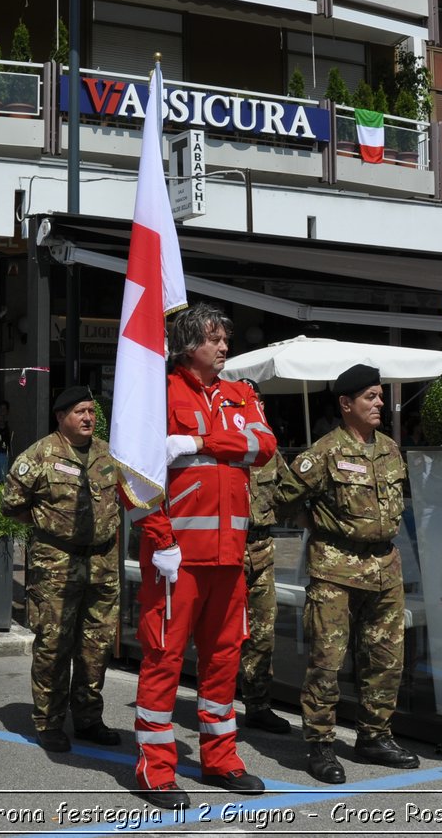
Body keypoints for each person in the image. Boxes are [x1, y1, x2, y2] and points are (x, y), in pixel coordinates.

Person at [127, 303, 277, 809]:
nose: (224, 347)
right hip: (176, 560)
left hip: (230, 559)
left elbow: (265, 446)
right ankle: (156, 767)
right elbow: (133, 474)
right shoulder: (158, 393)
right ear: (189, 344)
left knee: (223, 661)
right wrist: (159, 539)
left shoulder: (241, 393)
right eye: (215, 339)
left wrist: (197, 441)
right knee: (164, 660)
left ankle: (221, 759)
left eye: (224, 339)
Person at [277, 364, 420, 784]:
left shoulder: (390, 449)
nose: (379, 404)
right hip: (336, 569)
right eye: (370, 397)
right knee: (327, 661)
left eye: (379, 396)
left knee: (386, 660)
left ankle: (375, 736)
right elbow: (283, 498)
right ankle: (320, 744)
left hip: (386, 569)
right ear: (346, 404)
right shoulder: (322, 453)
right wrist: (316, 520)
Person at [2, 386, 122, 753]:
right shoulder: (39, 455)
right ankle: (49, 721)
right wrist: (52, 527)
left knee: (95, 646)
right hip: (56, 564)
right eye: (79, 412)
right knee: (54, 646)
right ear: (60, 417)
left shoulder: (109, 452)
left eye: (91, 411)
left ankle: (88, 717)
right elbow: (12, 505)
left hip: (102, 564)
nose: (88, 418)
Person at [239, 422, 291, 735]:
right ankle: (212, 704)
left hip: (262, 549)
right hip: (228, 548)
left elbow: (290, 491)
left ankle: (258, 705)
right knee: (219, 633)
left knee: (262, 633)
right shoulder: (222, 448)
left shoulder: (270, 452)